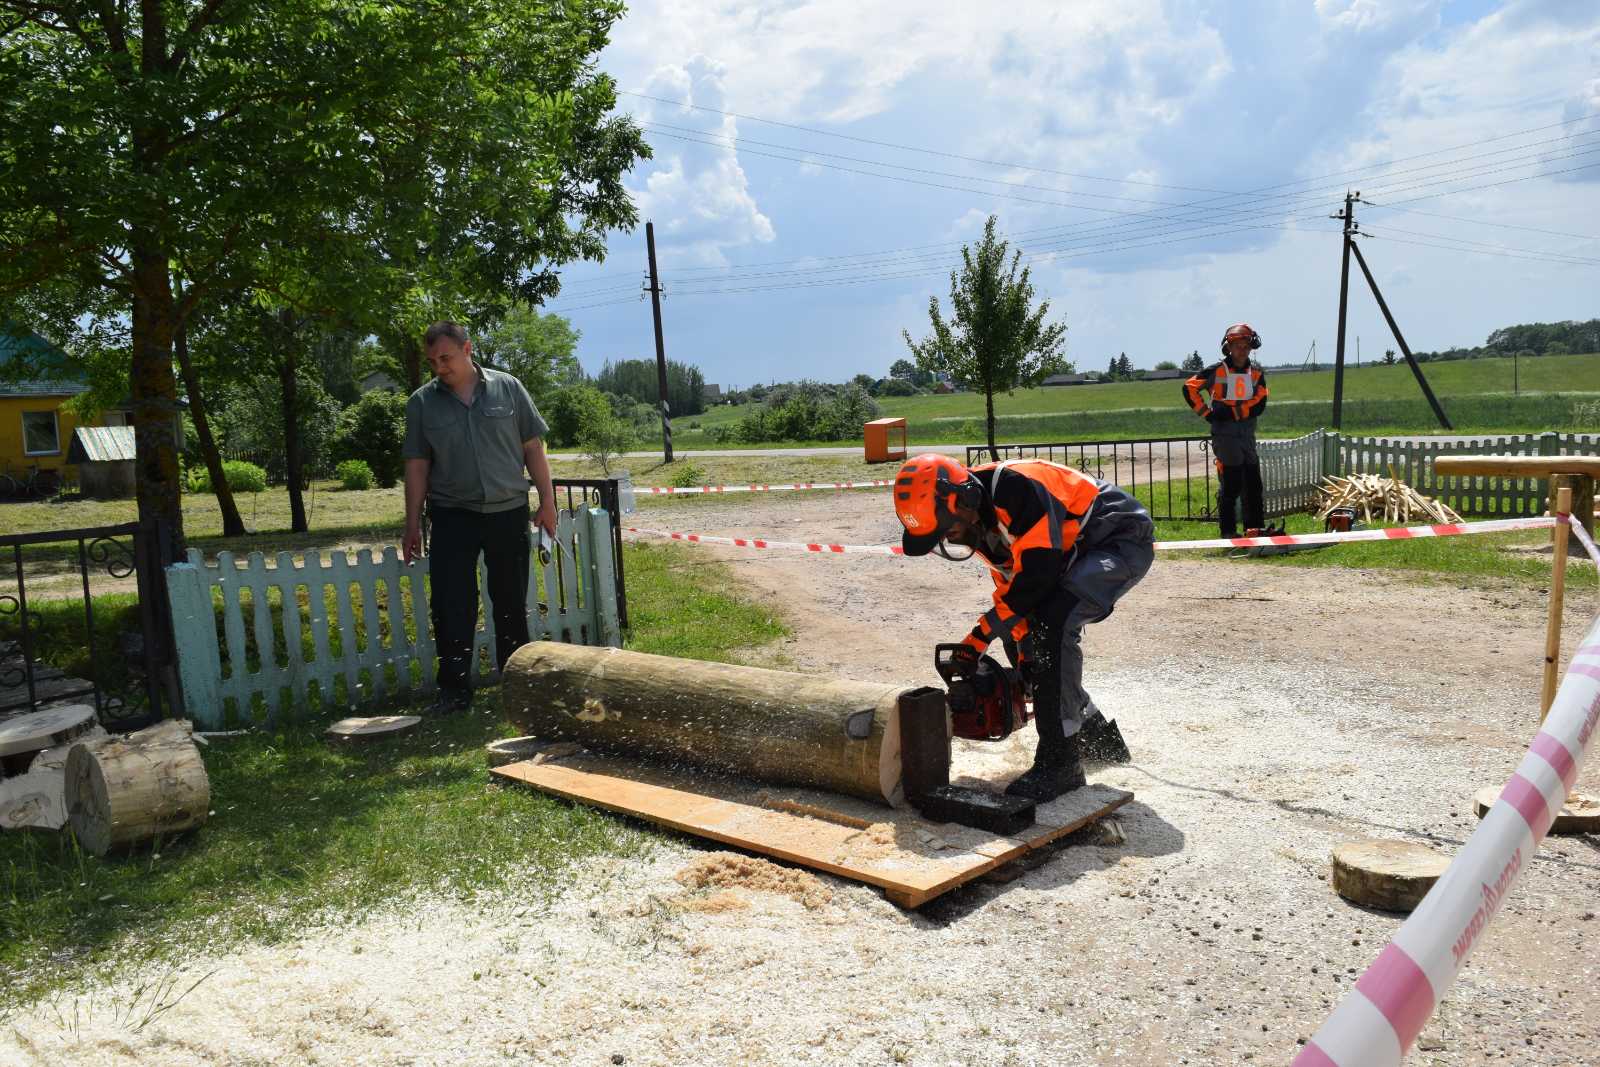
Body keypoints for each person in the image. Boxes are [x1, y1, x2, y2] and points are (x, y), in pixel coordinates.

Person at [894, 453, 1155, 802]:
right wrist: (1025, 655)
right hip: (1069, 551)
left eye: (950, 530)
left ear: (965, 500)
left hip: (1116, 538)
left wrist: (977, 638)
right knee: (1033, 652)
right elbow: (1012, 586)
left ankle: (1060, 762)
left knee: (1053, 622)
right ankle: (1098, 740)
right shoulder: (977, 522)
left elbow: (1035, 579)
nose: (952, 539)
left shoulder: (1016, 489)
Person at [402, 321, 557, 713]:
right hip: (452, 515)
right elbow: (417, 466)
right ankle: (454, 692)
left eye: (446, 358)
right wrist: (412, 523)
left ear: (468, 349)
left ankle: (516, 687)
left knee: (510, 601)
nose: (440, 367)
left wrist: (547, 502)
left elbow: (533, 448)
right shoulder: (422, 403)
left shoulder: (509, 388)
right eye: (433, 361)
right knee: (452, 604)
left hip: (508, 512)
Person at [1183, 322, 1270, 538]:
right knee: (1231, 484)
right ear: (1228, 347)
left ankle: (1255, 529)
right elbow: (1189, 388)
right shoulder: (1215, 370)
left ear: (1251, 347)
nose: (1242, 350)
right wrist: (1207, 414)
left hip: (1247, 434)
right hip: (1225, 434)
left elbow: (1261, 401)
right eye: (1237, 346)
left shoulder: (1256, 373)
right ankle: (1228, 532)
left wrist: (1234, 412)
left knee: (1253, 484)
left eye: (1246, 346)